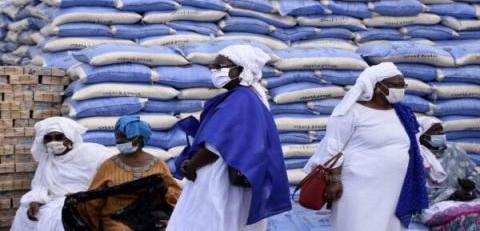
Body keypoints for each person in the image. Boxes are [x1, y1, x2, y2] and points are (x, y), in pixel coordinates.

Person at [167, 45, 291, 231]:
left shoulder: (239, 99)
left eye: (220, 67)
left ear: (240, 70)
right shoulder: (250, 96)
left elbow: (215, 146)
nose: (214, 71)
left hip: (218, 178)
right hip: (234, 175)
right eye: (213, 68)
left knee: (204, 222)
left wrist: (191, 165)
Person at [304, 62, 428, 231]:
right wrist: (334, 180)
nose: (400, 90)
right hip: (358, 188)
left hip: (395, 188)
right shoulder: (350, 112)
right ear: (377, 86)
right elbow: (333, 148)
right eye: (395, 85)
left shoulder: (403, 113)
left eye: (402, 85)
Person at [10, 117, 114, 231]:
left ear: (70, 138)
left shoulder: (92, 152)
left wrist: (86, 195)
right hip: (53, 201)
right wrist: (36, 200)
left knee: (58, 218)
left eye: (59, 137)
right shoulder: (47, 159)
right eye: (48, 138)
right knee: (23, 214)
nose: (53, 142)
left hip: (81, 200)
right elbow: (40, 185)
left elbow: (112, 171)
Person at [82, 115, 181, 231]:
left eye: (123, 137)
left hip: (151, 217)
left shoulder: (158, 164)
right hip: (117, 218)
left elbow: (176, 195)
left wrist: (166, 190)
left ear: (138, 139)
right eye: (117, 137)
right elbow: (94, 199)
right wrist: (80, 202)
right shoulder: (108, 166)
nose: (118, 141)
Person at [417, 117, 480, 230]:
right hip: (433, 205)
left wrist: (471, 184)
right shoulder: (416, 159)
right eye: (435, 130)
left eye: (441, 130)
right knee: (465, 216)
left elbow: (473, 173)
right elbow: (418, 191)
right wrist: (452, 194)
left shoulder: (455, 150)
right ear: (422, 135)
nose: (440, 133)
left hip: (465, 200)